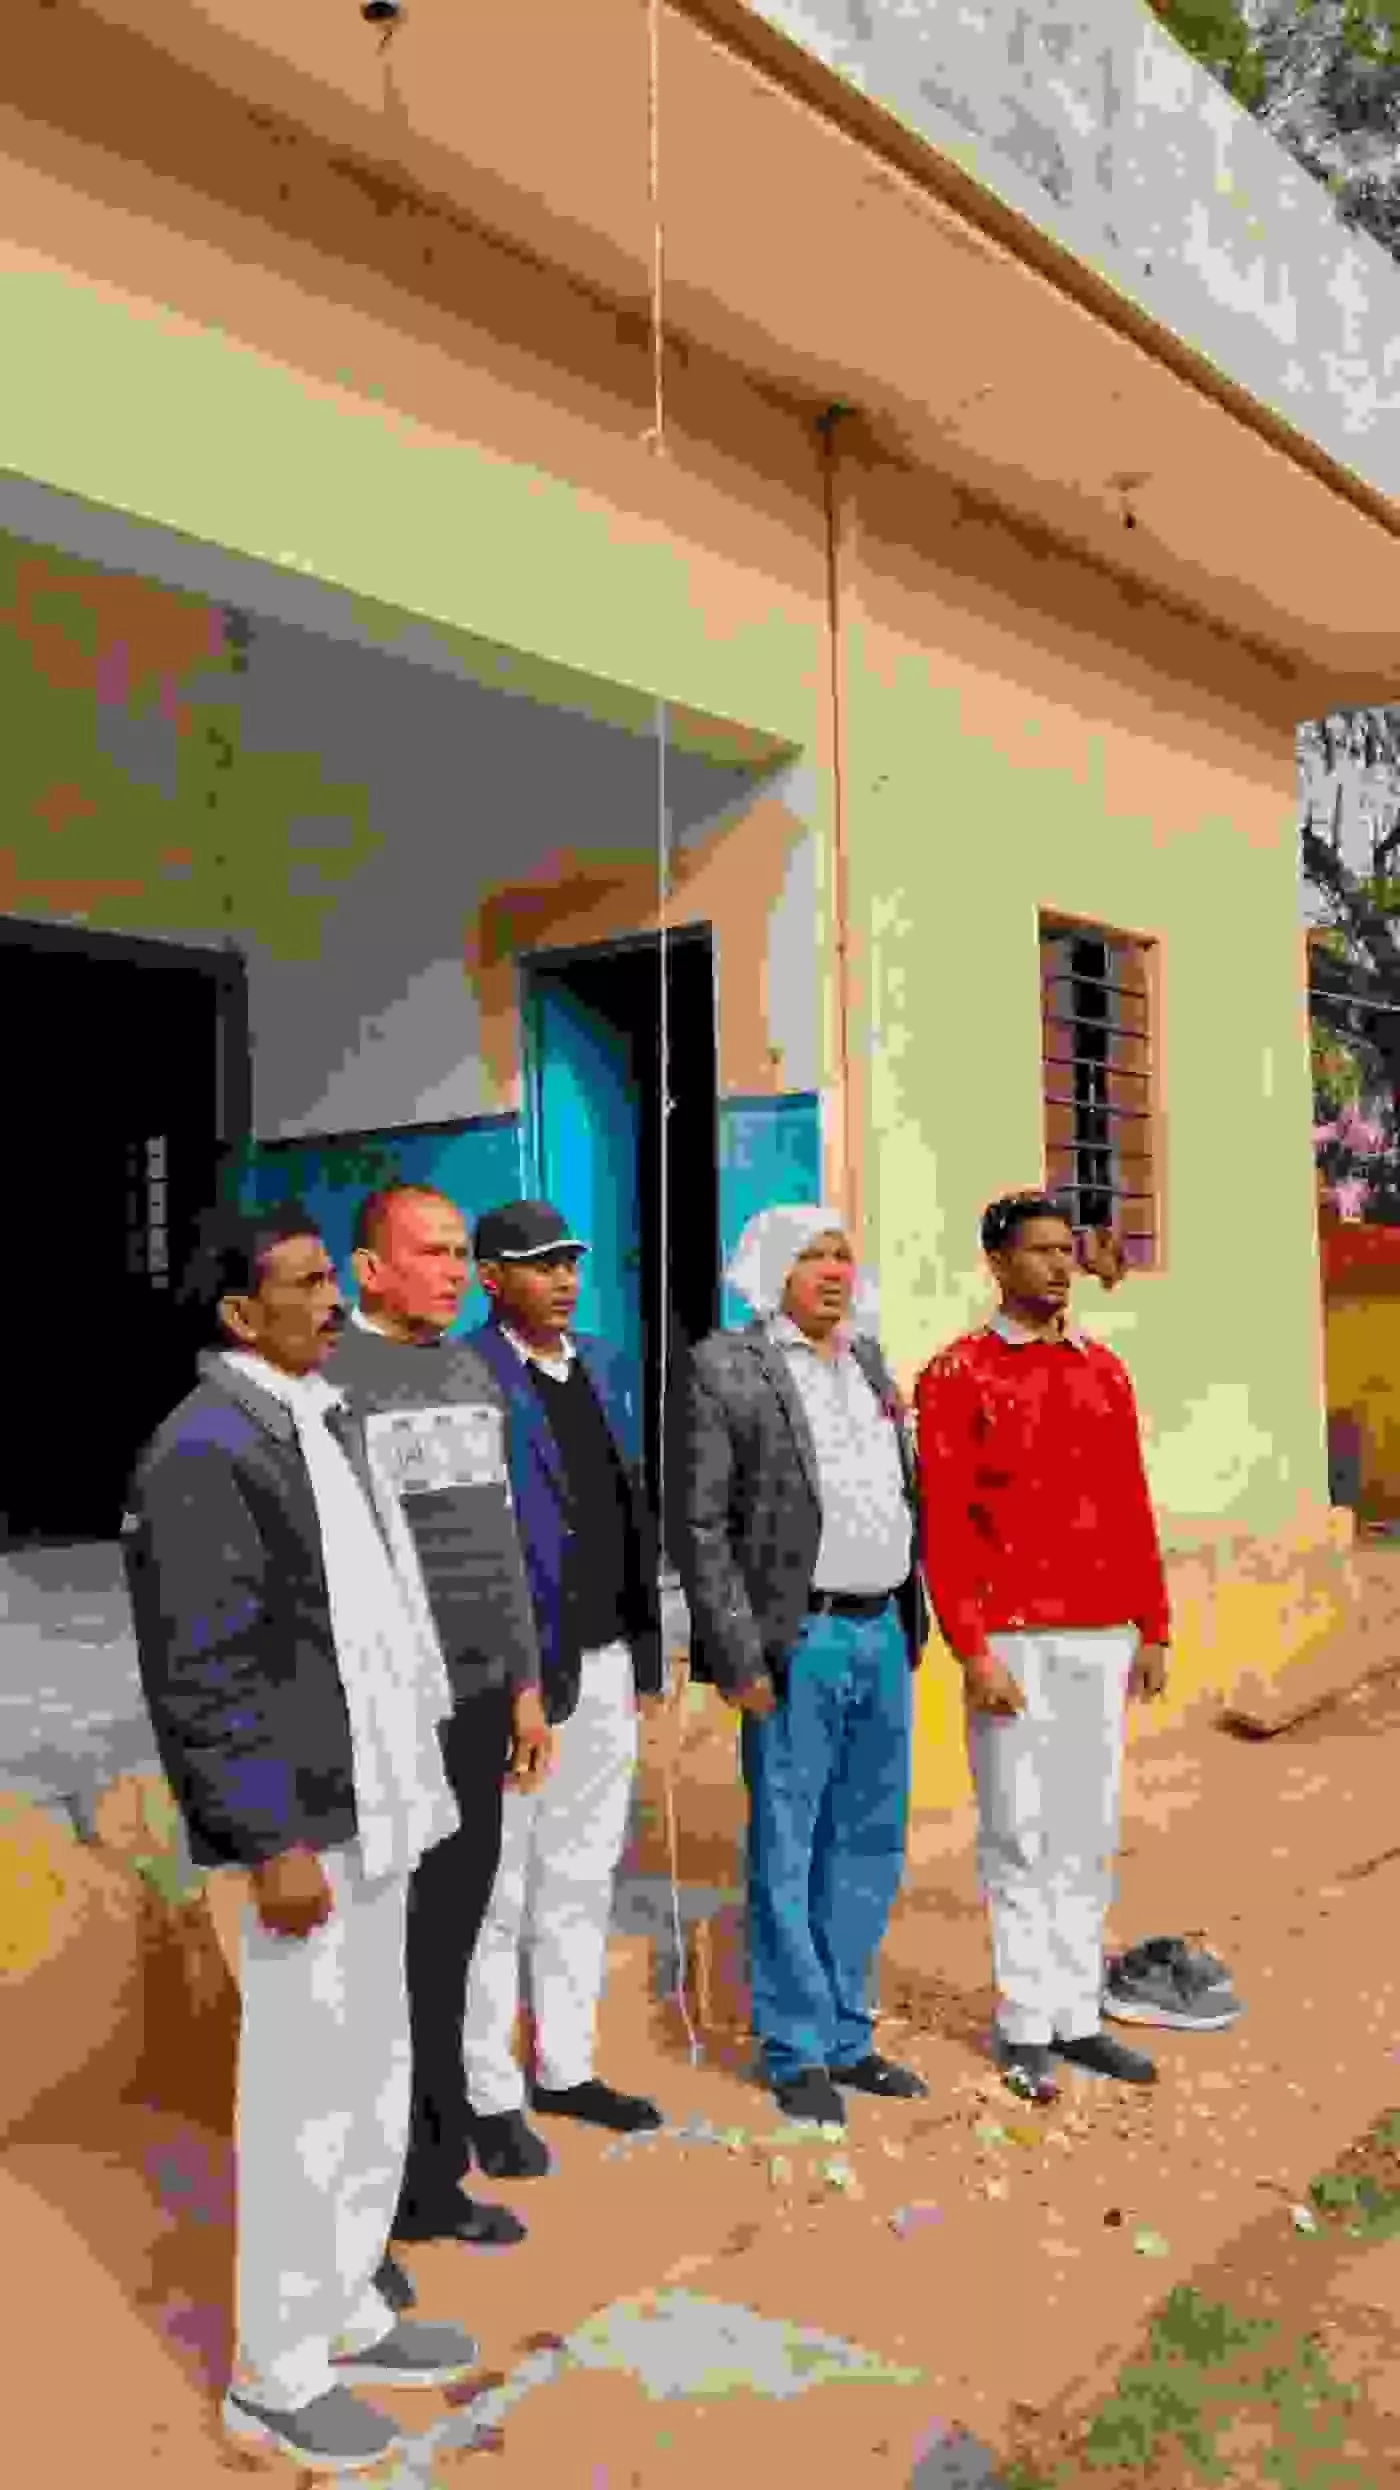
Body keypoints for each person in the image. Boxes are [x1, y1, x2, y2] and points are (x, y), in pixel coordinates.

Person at [121, 1204, 479, 2476]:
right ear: (239, 1312)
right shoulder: (203, 1450)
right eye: (310, 1281)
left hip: (370, 1804)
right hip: (302, 1830)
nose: (334, 1301)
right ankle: (275, 2378)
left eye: (333, 1277)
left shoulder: (309, 1416)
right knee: (305, 2102)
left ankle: (346, 2309)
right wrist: (267, 1835)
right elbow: (205, 1671)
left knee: (372, 2076)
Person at [326, 1183, 552, 2251]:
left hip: (474, 1709)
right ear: (369, 1269)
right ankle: (361, 2213)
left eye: (462, 1253)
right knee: (376, 1963)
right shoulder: (330, 1381)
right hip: (384, 1717)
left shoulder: (469, 1373)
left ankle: (429, 2181)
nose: (455, 1272)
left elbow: (499, 1545)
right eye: (431, 1252)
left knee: (447, 1949)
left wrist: (522, 1684)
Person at [674, 1205, 929, 2130]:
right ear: (772, 1271)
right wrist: (737, 1654)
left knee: (868, 1843)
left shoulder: (868, 1361)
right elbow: (699, 1526)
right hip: (798, 1641)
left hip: (882, 1631)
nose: (832, 1272)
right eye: (812, 1257)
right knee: (788, 1842)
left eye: (842, 1256)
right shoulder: (726, 1367)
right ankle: (795, 2048)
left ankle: (849, 2035)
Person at [914, 1190, 1171, 2105]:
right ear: (996, 1263)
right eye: (1040, 1252)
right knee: (1018, 1832)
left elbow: (1131, 1501)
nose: (1061, 1266)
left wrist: (1154, 1623)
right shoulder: (958, 1374)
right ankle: (1026, 2022)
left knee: (1086, 1830)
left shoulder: (1105, 1371)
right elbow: (946, 1524)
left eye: (1067, 1250)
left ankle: (1077, 2014)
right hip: (1012, 1641)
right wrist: (972, 1649)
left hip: (1102, 1633)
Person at [462, 1199, 667, 2177]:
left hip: (605, 1657)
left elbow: (630, 1506)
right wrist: (511, 1678)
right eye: (540, 1264)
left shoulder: (602, 1366)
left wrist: (645, 1651)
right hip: (522, 1675)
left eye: (570, 1262)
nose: (562, 1279)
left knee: (581, 1877)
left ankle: (566, 2067)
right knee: (499, 1889)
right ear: (490, 1278)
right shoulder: (468, 1375)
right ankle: (488, 2093)